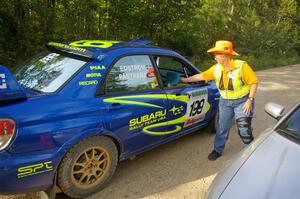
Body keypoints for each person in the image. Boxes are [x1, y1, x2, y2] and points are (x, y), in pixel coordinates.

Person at [181, 40, 258, 161]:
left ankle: (250, 152)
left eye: (217, 54)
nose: (215, 57)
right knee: (222, 127)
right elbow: (202, 76)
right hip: (225, 103)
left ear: (225, 55)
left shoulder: (242, 66)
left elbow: (253, 82)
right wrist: (186, 80)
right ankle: (218, 150)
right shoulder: (216, 69)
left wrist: (250, 100)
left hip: (242, 101)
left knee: (244, 128)